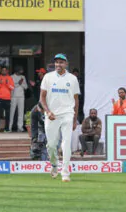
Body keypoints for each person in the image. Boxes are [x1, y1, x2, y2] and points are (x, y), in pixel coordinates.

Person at [40, 53, 80, 182]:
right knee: (51, 145)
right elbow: (42, 97)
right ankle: (54, 164)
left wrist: (74, 119)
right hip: (51, 115)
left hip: (67, 113)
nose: (58, 64)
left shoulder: (72, 79)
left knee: (66, 143)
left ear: (66, 64)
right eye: (56, 62)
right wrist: (48, 111)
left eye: (61, 62)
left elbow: (76, 100)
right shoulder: (48, 77)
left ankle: (65, 172)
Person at [0, 66, 14, 132]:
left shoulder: (10, 78)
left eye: (5, 70)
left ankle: (7, 129)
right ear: (1, 71)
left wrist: (7, 84)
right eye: (3, 70)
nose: (4, 71)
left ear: (7, 71)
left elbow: (12, 88)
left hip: (7, 98)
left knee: (7, 115)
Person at [9, 66, 28, 132]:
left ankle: (20, 127)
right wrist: (18, 83)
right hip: (13, 96)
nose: (21, 72)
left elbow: (26, 87)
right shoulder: (11, 77)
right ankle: (9, 127)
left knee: (21, 112)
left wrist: (21, 84)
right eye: (20, 70)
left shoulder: (23, 77)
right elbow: (11, 87)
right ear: (17, 70)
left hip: (21, 96)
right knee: (12, 112)